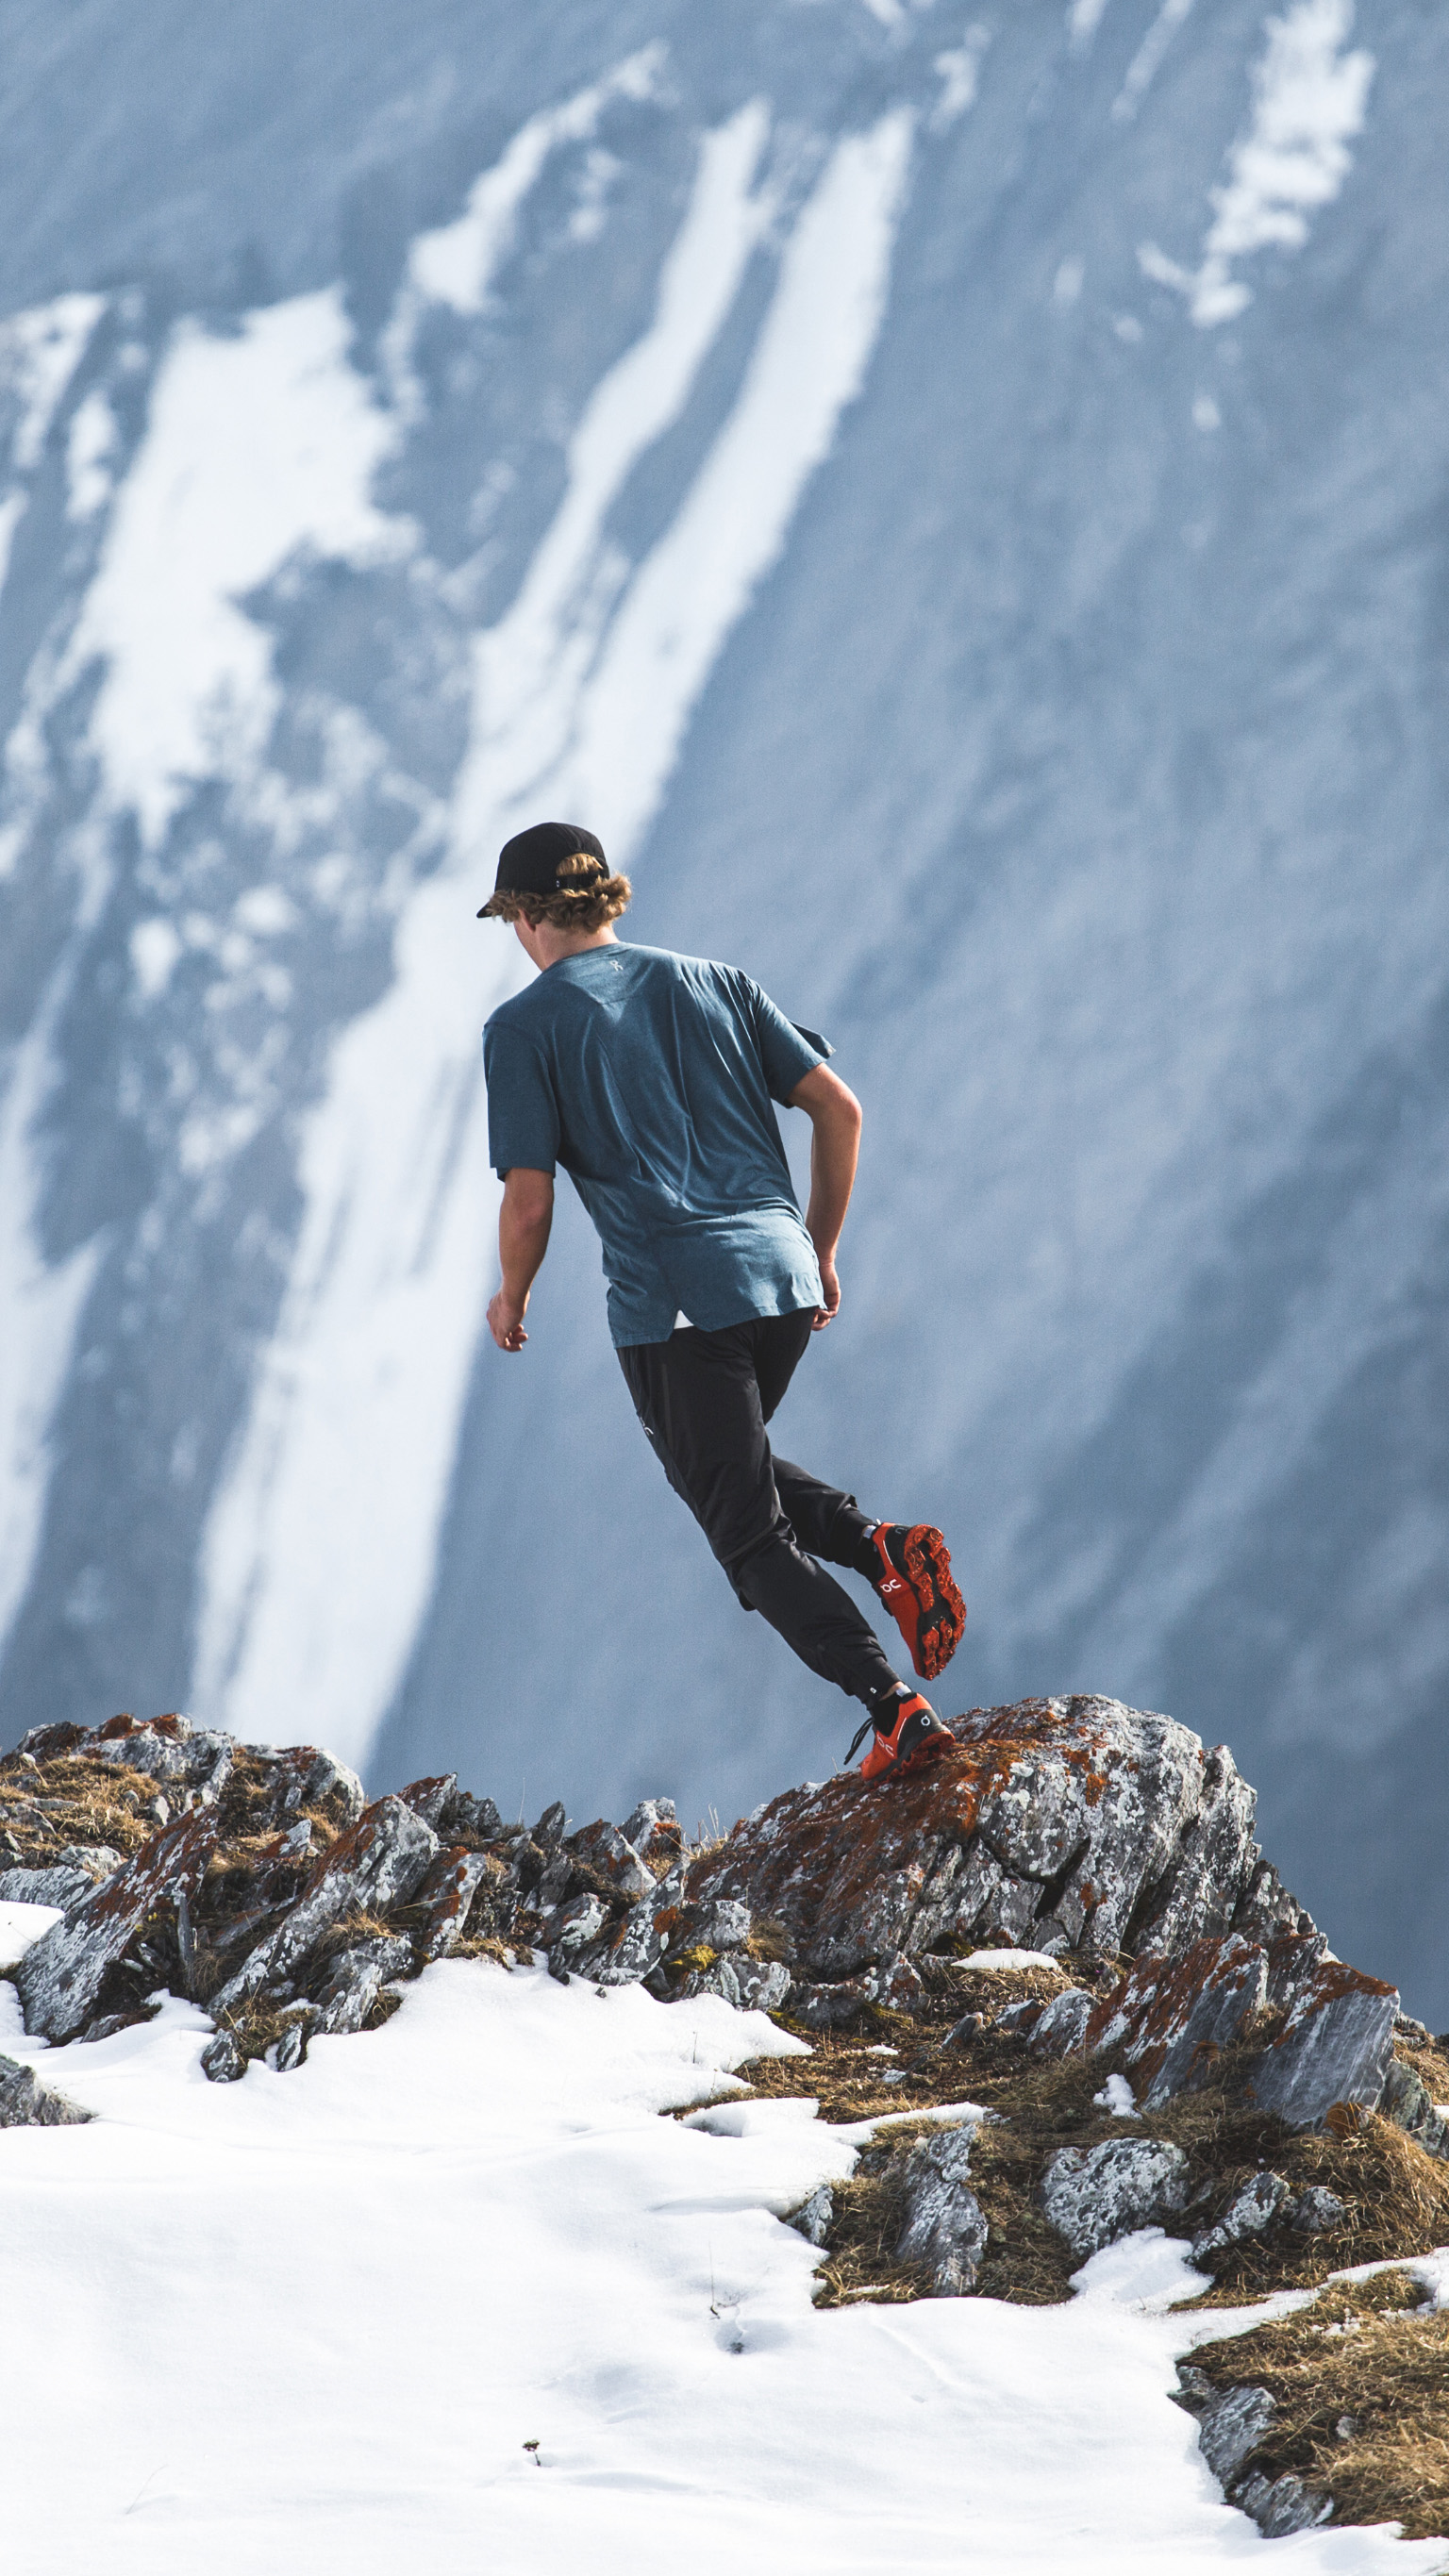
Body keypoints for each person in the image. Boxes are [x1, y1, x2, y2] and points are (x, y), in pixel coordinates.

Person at [477, 820, 965, 1783]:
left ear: (529, 917)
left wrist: (512, 1294)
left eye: (510, 918)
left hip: (678, 1301)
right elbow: (840, 1107)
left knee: (742, 1533)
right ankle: (886, 1547)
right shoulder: (717, 981)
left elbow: (528, 1201)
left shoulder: (525, 1027)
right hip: (781, 1281)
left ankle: (895, 1711)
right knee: (721, 1475)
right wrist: (819, 1249)